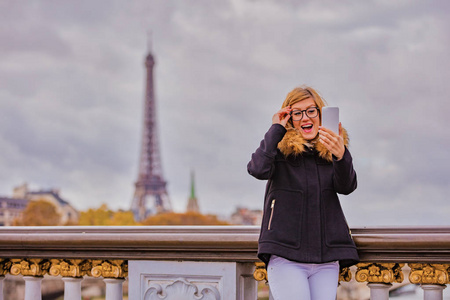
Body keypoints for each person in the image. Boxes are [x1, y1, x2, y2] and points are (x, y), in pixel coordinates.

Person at [247, 86, 359, 300]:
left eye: (311, 111)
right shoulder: (278, 151)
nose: (304, 117)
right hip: (286, 256)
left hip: (326, 259)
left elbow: (347, 187)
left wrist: (341, 155)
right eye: (297, 113)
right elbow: (257, 168)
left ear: (320, 114)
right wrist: (275, 129)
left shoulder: (332, 151)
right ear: (289, 119)